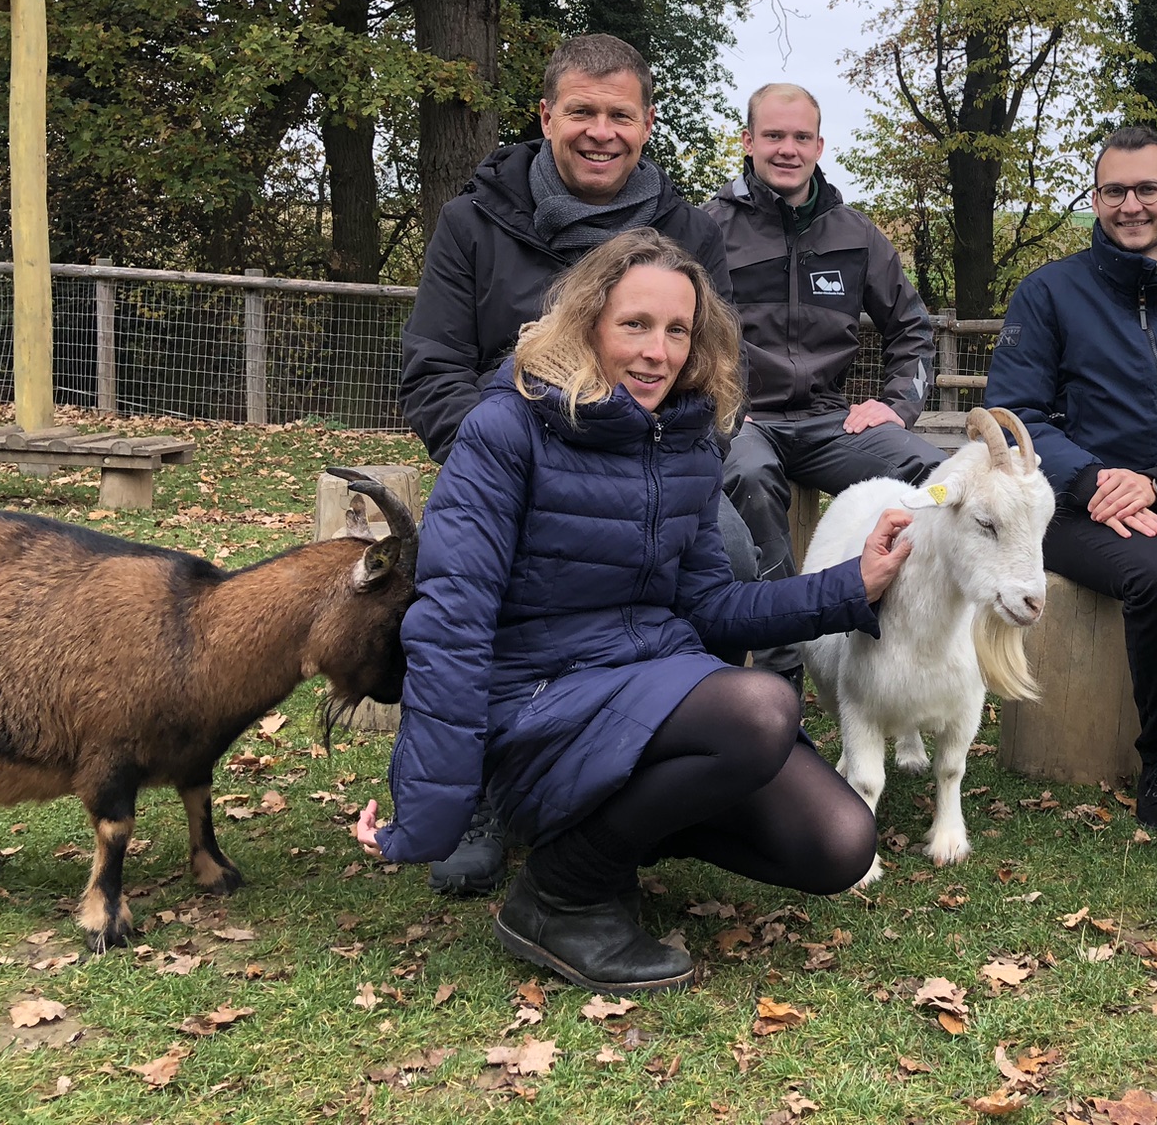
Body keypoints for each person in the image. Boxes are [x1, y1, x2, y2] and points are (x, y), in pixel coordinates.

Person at [354, 230, 912, 994]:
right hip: (538, 703)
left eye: (677, 330)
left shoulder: (684, 438)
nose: (658, 351)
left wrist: (854, 585)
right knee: (758, 707)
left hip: (649, 692)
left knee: (839, 844)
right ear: (587, 322)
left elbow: (713, 606)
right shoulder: (506, 427)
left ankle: (607, 836)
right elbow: (450, 623)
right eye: (635, 325)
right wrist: (425, 813)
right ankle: (561, 893)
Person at [397, 33, 753, 897]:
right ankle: (481, 776)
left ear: (647, 124)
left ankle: (671, 756)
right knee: (467, 576)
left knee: (736, 553)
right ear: (547, 116)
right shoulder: (472, 223)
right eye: (583, 112)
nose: (602, 131)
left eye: (620, 115)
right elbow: (432, 372)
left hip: (649, 463)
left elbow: (708, 365)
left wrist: (651, 463)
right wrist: (515, 458)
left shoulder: (689, 229)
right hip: (507, 458)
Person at [983, 125, 1157, 834]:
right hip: (1068, 507)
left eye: (1147, 189)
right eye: (1114, 190)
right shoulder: (1048, 294)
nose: (1130, 205)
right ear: (1096, 198)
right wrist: (1097, 480)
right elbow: (1017, 417)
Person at [709, 83, 946, 592]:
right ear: (748, 141)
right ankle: (781, 653)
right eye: (773, 135)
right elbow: (679, 333)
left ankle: (898, 626)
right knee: (748, 478)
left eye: (801, 137)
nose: (787, 149)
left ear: (819, 147)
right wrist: (717, 405)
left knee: (941, 477)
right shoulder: (709, 230)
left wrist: (897, 404)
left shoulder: (855, 234)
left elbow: (912, 327)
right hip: (744, 421)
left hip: (830, 424)